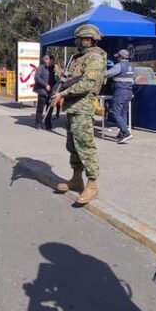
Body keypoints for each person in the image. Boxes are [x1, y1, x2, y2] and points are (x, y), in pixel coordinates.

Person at [51, 24, 107, 205]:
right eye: (79, 39)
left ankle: (92, 185)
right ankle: (76, 179)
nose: (80, 42)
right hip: (72, 107)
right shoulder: (78, 58)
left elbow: (88, 84)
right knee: (73, 145)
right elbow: (71, 79)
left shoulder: (95, 58)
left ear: (90, 39)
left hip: (83, 108)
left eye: (83, 39)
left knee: (85, 145)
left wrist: (63, 94)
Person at [104, 49, 135, 143]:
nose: (117, 58)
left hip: (120, 92)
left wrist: (101, 71)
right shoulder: (130, 66)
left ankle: (126, 133)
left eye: (118, 56)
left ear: (121, 57)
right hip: (129, 91)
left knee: (115, 112)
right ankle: (122, 133)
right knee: (123, 113)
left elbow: (108, 74)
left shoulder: (119, 65)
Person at [33, 54, 56, 130]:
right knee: (40, 108)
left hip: (51, 92)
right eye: (51, 61)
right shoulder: (41, 68)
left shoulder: (54, 69)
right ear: (47, 60)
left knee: (50, 108)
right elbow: (37, 77)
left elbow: (57, 79)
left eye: (53, 61)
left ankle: (47, 123)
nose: (52, 63)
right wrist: (45, 85)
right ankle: (38, 123)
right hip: (42, 91)